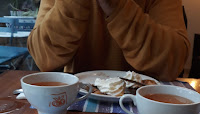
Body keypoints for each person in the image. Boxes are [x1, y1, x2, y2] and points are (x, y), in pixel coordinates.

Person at [27, 0, 190, 81]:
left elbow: (173, 62)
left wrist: (116, 4)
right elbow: (43, 58)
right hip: (77, 103)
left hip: (144, 106)